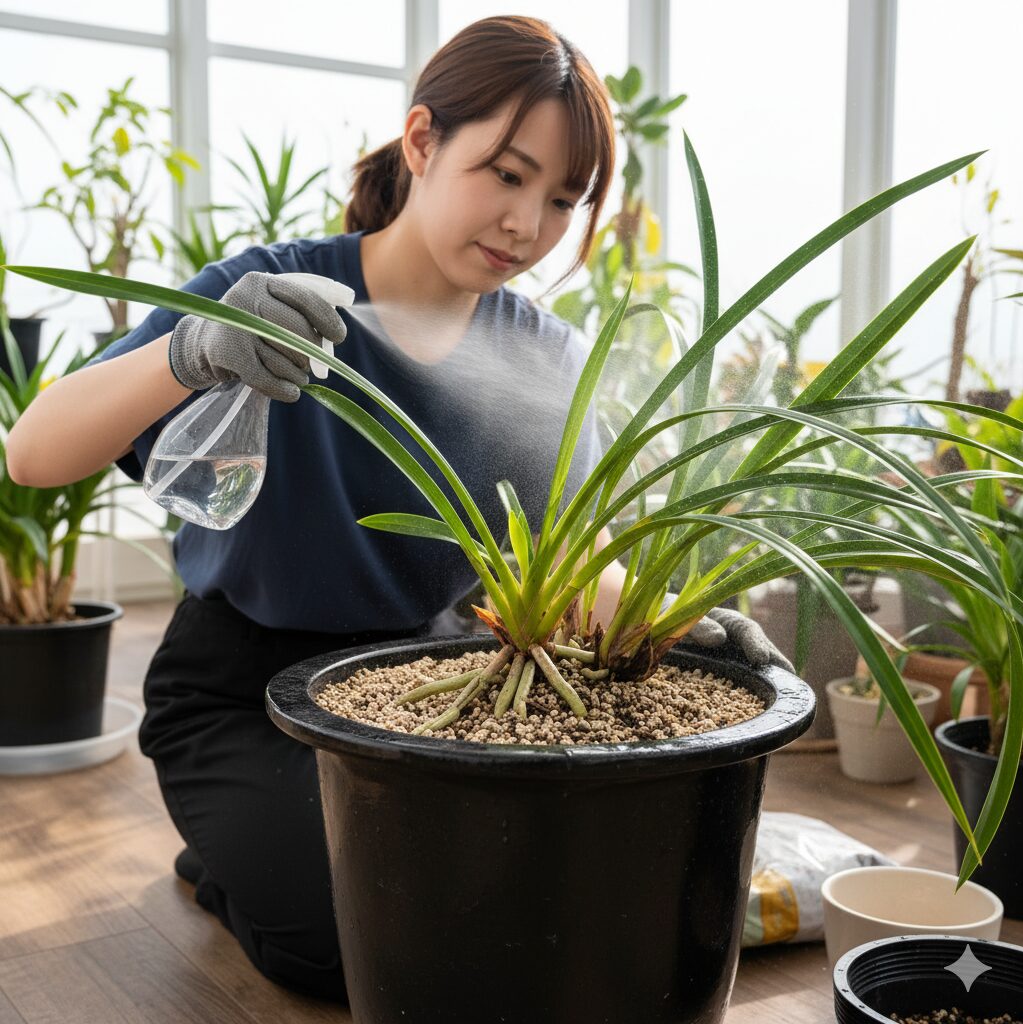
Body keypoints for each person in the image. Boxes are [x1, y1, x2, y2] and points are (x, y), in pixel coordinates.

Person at [7, 15, 789, 1004]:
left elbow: (574, 561)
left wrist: (685, 628)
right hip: (244, 693)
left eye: (563, 199)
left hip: (435, 692)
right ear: (423, 140)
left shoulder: (542, 355)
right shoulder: (271, 295)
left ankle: (266, 850)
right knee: (355, 948)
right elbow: (33, 453)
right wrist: (192, 350)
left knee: (508, 914)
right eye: (506, 175)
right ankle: (230, 858)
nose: (528, 225)